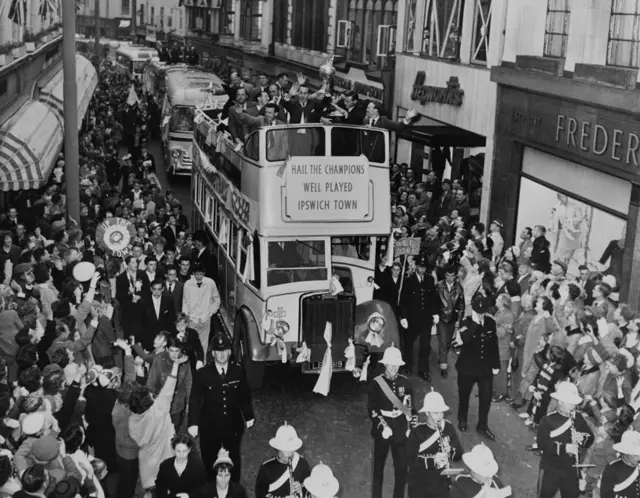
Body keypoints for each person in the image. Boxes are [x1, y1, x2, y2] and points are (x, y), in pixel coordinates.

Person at [188, 332, 255, 483]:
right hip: (209, 425)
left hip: (233, 424)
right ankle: (213, 487)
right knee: (210, 457)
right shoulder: (203, 373)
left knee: (234, 458)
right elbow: (195, 399)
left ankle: (233, 489)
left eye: (225, 350)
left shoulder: (238, 370)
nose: (222, 354)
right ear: (213, 353)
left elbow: (244, 395)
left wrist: (248, 415)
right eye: (219, 351)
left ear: (230, 351)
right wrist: (193, 422)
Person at [368, 346, 416, 498]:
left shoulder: (405, 383)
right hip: (383, 428)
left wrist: (411, 427)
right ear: (385, 365)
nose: (393, 368)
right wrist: (382, 425)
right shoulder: (376, 384)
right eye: (390, 364)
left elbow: (411, 408)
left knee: (401, 469)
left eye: (396, 365)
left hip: (401, 429)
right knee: (378, 469)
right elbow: (373, 409)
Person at [453, 291, 500, 440]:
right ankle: (462, 419)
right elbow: (465, 339)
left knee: (485, 398)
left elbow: (493, 344)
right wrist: (474, 323)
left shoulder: (491, 322)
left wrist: (495, 364)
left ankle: (482, 426)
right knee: (464, 395)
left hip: (485, 367)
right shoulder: (465, 322)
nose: (480, 315)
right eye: (478, 312)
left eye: (482, 312)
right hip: (467, 366)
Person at [536, 381, 594, 498]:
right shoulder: (547, 420)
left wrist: (583, 438)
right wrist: (565, 448)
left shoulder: (577, 417)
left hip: (571, 470)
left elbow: (590, 437)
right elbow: (542, 444)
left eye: (574, 403)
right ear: (561, 402)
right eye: (571, 403)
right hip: (551, 469)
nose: (574, 406)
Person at [406, 390, 464, 498]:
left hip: (441, 484)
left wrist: (450, 449)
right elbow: (410, 460)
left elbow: (458, 455)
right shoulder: (417, 431)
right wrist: (433, 460)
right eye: (435, 413)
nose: (440, 416)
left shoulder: (448, 427)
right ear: (427, 413)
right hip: (420, 485)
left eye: (441, 412)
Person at [399, 255, 440, 380]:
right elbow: (403, 301)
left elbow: (433, 298)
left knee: (424, 346)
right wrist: (403, 317)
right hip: (412, 319)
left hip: (426, 319)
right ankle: (407, 366)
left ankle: (423, 370)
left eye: (424, 267)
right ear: (416, 266)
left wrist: (435, 313)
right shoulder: (409, 280)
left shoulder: (429, 280)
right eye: (420, 267)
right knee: (408, 343)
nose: (422, 269)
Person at [255, 423, 311, 498]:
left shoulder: (302, 462)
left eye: (292, 448)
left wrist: (301, 489)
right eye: (286, 448)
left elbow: (310, 489)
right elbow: (260, 495)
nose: (290, 452)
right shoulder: (266, 468)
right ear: (278, 447)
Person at [182, 262, 221, 355]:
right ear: (193, 274)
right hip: (192, 320)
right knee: (191, 345)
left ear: (204, 273)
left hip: (205, 319)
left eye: (200, 274)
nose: (198, 276)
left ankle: (202, 366)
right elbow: (185, 302)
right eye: (196, 274)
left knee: (204, 345)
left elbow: (217, 300)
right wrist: (187, 317)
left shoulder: (210, 283)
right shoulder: (187, 284)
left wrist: (210, 313)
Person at [155, 432, 207, 498]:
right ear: (173, 450)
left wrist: (189, 495)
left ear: (189, 450)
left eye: (184, 451)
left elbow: (203, 490)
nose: (181, 455)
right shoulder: (165, 466)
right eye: (178, 451)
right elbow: (159, 491)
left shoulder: (198, 466)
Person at [435, 265, 465, 379]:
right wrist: (435, 314)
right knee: (443, 342)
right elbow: (434, 301)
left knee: (447, 342)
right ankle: (443, 367)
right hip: (441, 318)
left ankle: (442, 356)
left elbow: (462, 306)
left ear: (455, 276)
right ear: (444, 275)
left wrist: (458, 320)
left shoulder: (459, 288)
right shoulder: (438, 286)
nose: (450, 278)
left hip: (452, 318)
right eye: (448, 275)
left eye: (452, 276)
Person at [598, 430, 640, 498]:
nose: (639, 458)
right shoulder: (612, 469)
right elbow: (605, 494)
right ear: (626, 453)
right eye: (635, 455)